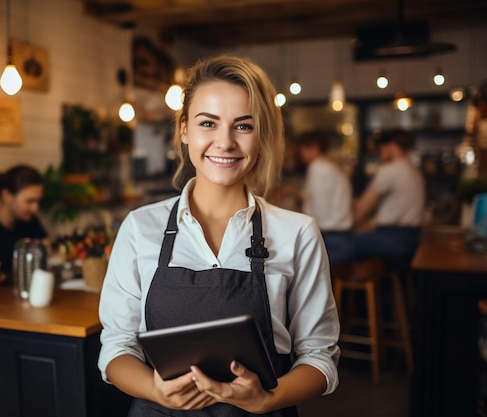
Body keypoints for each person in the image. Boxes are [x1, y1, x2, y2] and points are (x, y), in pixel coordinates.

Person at [98, 55, 340, 416]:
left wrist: (267, 399)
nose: (224, 142)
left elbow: (320, 358)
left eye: (243, 126)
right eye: (208, 123)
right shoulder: (139, 227)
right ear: (184, 129)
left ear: (262, 135)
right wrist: (155, 390)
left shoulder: (297, 233)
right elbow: (117, 348)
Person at [353, 128, 425, 274]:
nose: (380, 152)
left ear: (391, 145)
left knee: (336, 245)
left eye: (381, 148)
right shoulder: (414, 170)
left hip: (391, 240)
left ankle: (344, 293)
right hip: (412, 240)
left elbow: (362, 209)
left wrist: (350, 221)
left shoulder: (391, 170)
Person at [296, 129, 354, 264]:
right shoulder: (331, 166)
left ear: (315, 148)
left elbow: (319, 212)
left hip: (330, 240)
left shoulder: (318, 168)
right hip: (342, 238)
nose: (301, 152)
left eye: (303, 148)